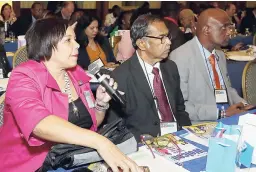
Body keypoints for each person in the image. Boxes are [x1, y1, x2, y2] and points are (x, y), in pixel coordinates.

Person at [0, 18, 142, 172]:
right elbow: (38, 125)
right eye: (68, 40)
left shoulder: (76, 73)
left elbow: (90, 123)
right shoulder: (24, 76)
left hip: (73, 159)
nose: (77, 45)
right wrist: (100, 142)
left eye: (74, 39)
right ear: (46, 43)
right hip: (32, 164)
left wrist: (101, 104)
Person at [106, 14, 191, 141]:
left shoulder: (170, 67)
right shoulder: (121, 76)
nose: (168, 42)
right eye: (162, 38)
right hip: (144, 144)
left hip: (178, 138)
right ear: (142, 43)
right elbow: (116, 128)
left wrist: (187, 135)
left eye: (168, 36)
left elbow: (179, 109)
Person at [169, 9, 253, 122]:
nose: (229, 32)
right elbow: (181, 107)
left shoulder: (219, 54)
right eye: (224, 27)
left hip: (227, 118)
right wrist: (222, 113)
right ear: (206, 30)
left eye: (230, 27)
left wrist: (244, 104)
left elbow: (228, 89)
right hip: (201, 125)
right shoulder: (180, 57)